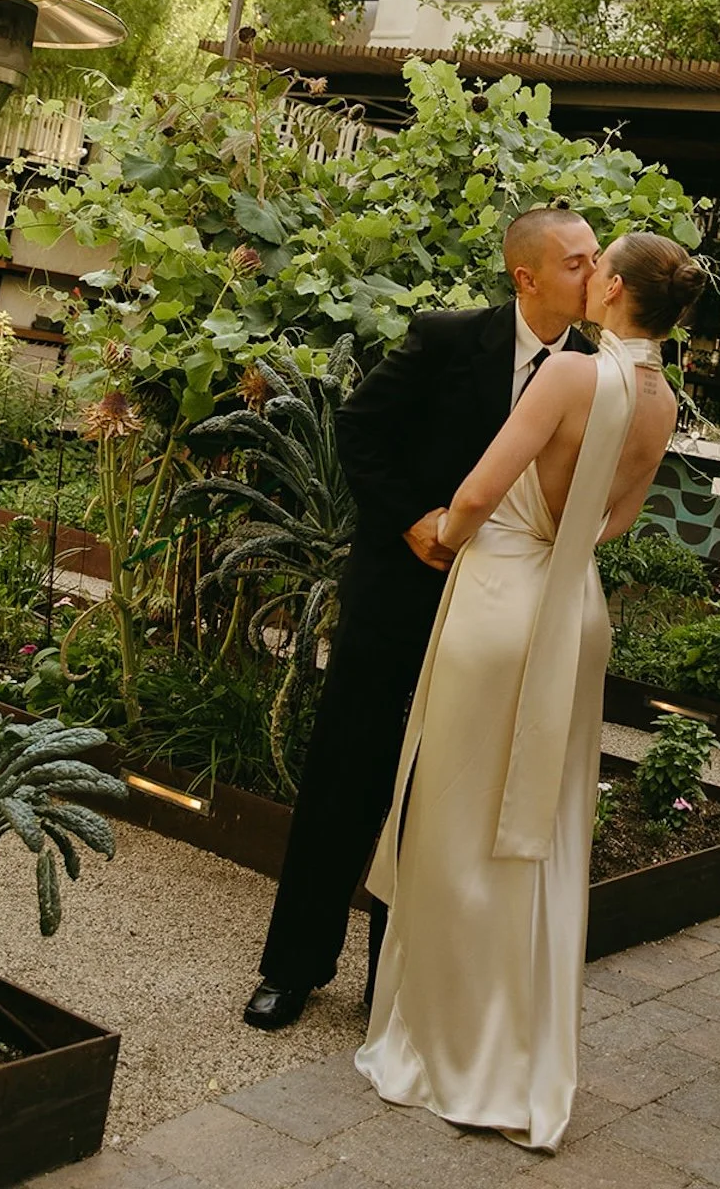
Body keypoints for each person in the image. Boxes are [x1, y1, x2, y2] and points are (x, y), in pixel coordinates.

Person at [355, 232, 704, 1151]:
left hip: (503, 600)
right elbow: (616, 524)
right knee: (539, 830)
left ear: (615, 288)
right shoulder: (663, 402)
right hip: (574, 608)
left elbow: (479, 491)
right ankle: (522, 1050)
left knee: (460, 823)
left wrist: (441, 529)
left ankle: (449, 1044)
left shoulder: (571, 377)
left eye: (599, 266)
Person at [244, 205, 599, 1031]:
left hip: (498, 621)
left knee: (443, 798)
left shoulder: (592, 369)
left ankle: (396, 985)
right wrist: (410, 519)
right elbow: (360, 429)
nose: (594, 273)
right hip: (398, 596)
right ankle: (291, 969)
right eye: (577, 261)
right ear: (529, 277)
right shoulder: (447, 339)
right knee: (345, 778)